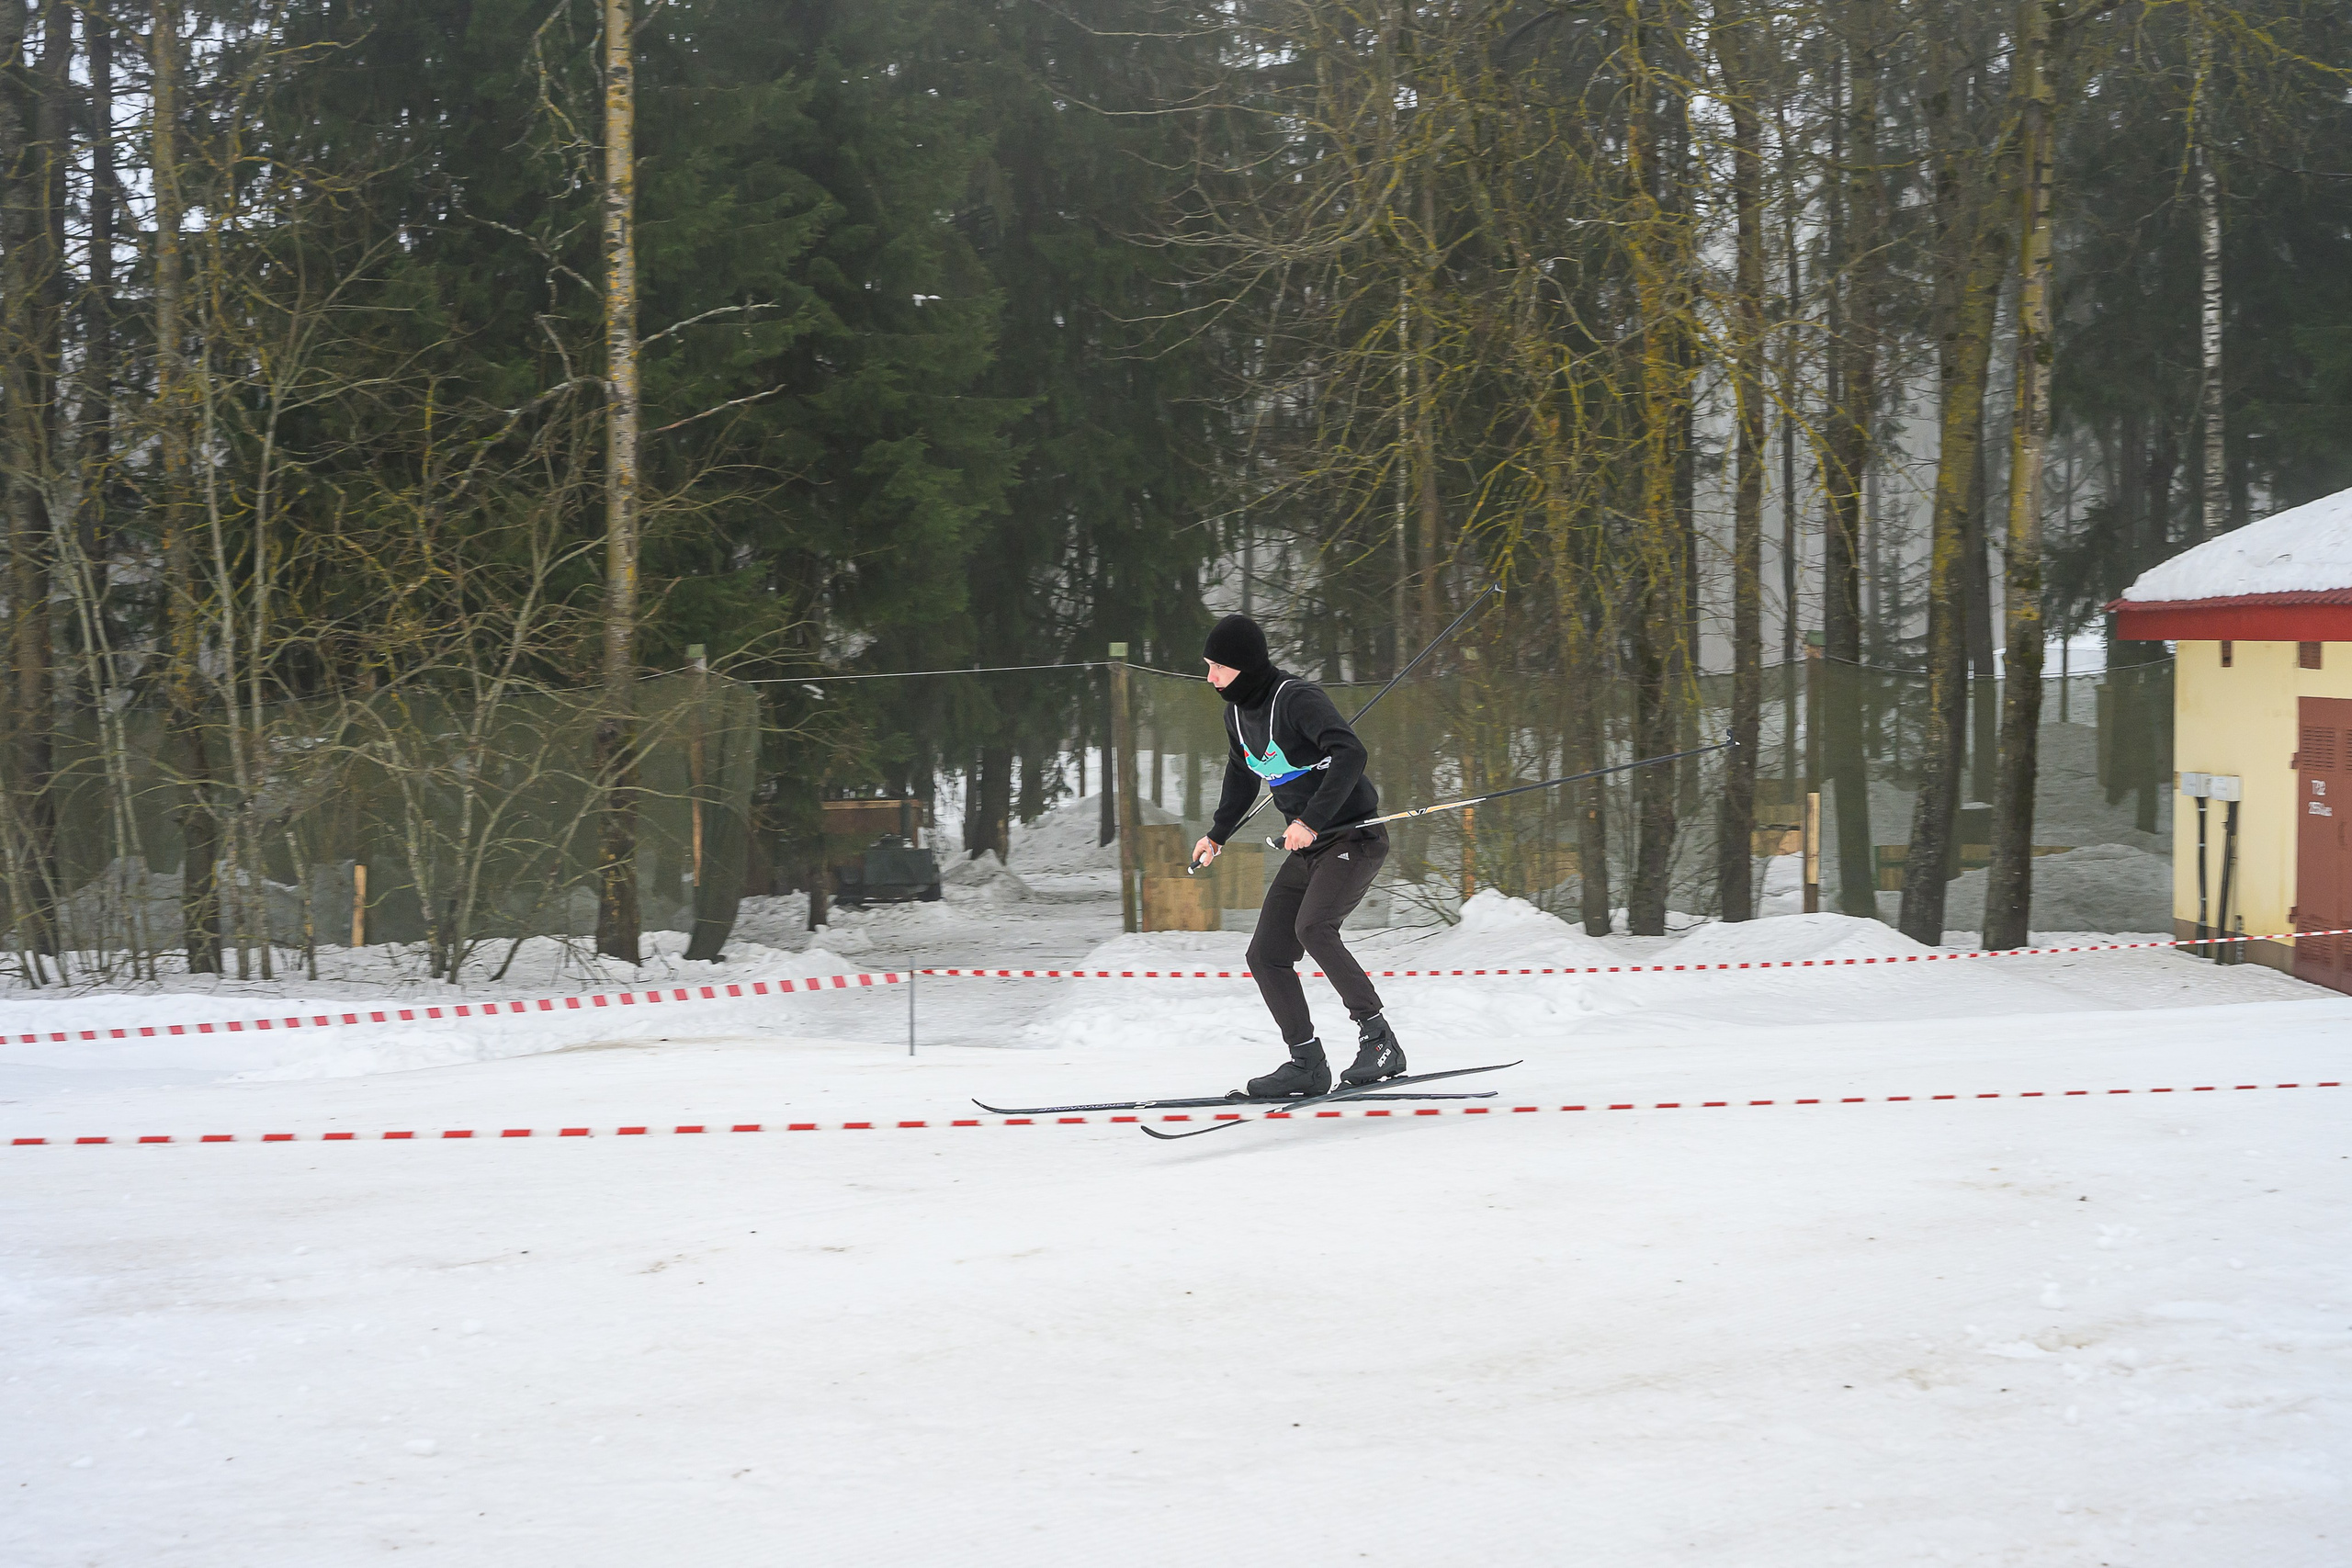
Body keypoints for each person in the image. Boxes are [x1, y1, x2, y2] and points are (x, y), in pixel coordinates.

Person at [1190, 613, 1406, 1098]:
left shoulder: (1296, 699)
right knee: (1266, 953)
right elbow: (1242, 774)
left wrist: (1308, 820)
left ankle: (1380, 1041)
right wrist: (1217, 834)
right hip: (1311, 849)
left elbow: (1350, 752)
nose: (1211, 678)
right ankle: (1307, 1063)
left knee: (1313, 927)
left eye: (1217, 668)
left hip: (1353, 836)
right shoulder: (1237, 715)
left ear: (1242, 666)